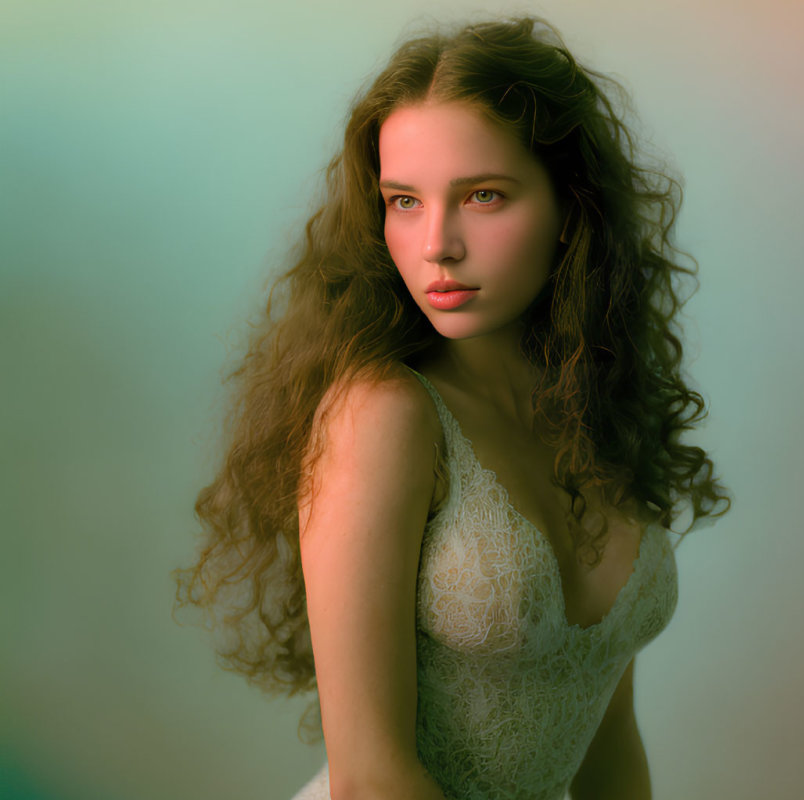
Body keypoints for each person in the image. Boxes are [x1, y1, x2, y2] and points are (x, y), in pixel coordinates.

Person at [176, 15, 728, 800]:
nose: (437, 243)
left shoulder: (599, 405)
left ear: (572, 207)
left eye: (483, 195)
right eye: (404, 201)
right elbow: (370, 779)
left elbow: (610, 751)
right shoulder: (384, 415)